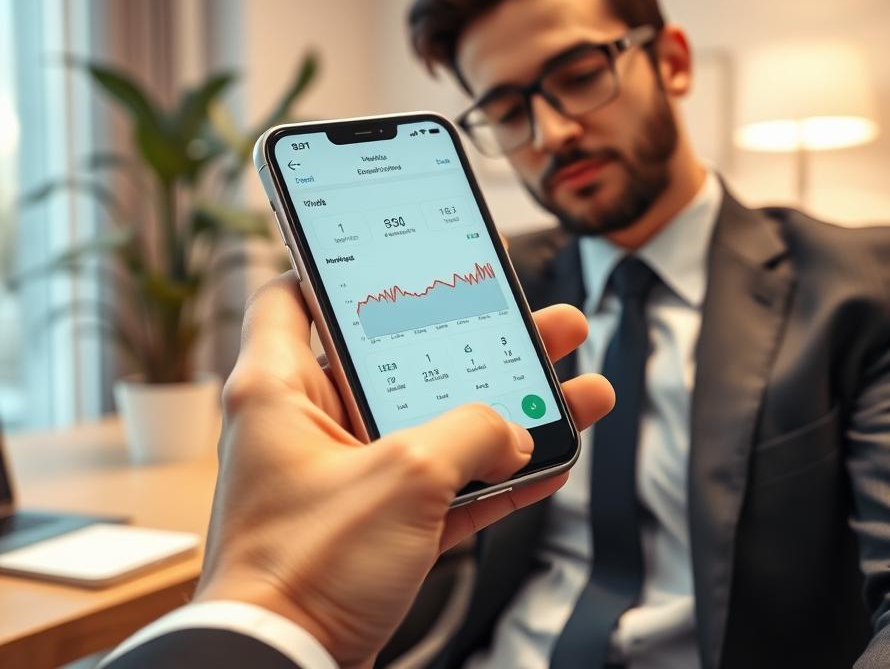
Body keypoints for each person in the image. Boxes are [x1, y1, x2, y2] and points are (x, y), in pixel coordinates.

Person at [381, 0, 890, 669]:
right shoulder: (485, 288)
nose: (550, 132)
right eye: (505, 110)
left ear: (673, 62)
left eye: (580, 74)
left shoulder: (883, 286)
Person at [99, 273, 615, 668]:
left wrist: (280, 601)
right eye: (507, 124)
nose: (549, 134)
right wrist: (298, 608)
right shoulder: (513, 275)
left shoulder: (500, 288)